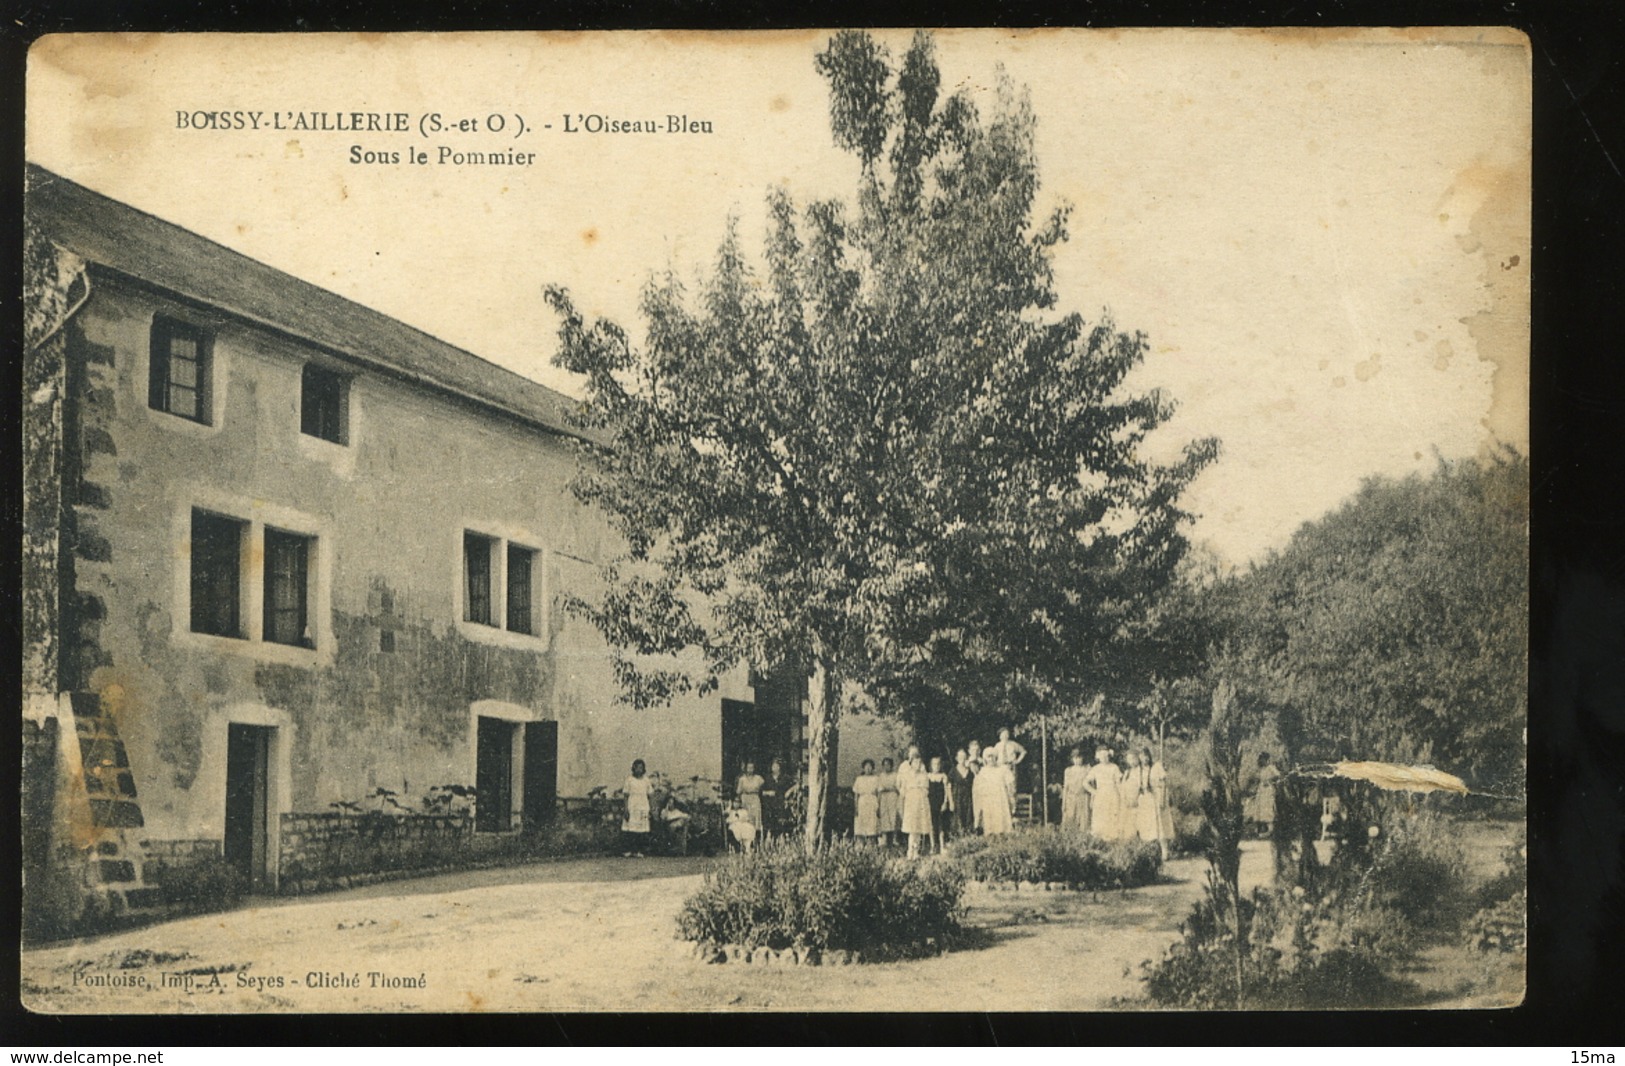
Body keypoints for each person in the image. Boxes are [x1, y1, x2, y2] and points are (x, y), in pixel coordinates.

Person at [1137, 746, 1174, 859]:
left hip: (1157, 797)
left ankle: (1164, 852)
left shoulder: (1156, 766)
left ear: (1149, 756)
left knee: (1160, 825)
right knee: (1148, 825)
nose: (1145, 759)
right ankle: (1150, 852)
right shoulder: (1140, 769)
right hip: (1146, 799)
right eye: (1142, 757)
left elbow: (1163, 783)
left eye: (1146, 756)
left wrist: (1162, 799)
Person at [898, 746, 932, 858]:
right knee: (912, 828)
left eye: (919, 762)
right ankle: (910, 851)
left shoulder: (923, 774)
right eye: (915, 762)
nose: (917, 764)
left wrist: (922, 793)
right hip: (911, 802)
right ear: (911, 763)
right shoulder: (907, 775)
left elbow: (926, 788)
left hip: (921, 802)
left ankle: (916, 851)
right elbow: (903, 791)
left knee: (918, 828)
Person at [1085, 746, 1123, 840]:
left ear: (1109, 756)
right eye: (1101, 756)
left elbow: (1118, 784)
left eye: (1106, 756)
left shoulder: (1114, 767)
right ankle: (1100, 841)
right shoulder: (1096, 768)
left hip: (1113, 794)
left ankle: (1112, 841)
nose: (1104, 758)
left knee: (1112, 817)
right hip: (1101, 795)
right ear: (1098, 757)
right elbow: (1085, 783)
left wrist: (1121, 796)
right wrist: (1094, 792)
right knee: (1100, 818)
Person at [974, 749, 1014, 835]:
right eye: (988, 757)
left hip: (1000, 799)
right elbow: (979, 788)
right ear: (985, 759)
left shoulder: (1002, 769)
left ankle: (1001, 841)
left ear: (996, 757)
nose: (991, 759)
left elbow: (1010, 783)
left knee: (1001, 821)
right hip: (988, 799)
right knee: (989, 822)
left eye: (993, 757)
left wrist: (1011, 797)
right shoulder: (983, 771)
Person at [622, 759, 656, 857]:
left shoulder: (646, 780)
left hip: (643, 807)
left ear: (643, 769)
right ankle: (630, 850)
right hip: (632, 806)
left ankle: (639, 851)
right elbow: (625, 796)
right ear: (634, 768)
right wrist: (626, 809)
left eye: (641, 768)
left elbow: (650, 795)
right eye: (637, 767)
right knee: (631, 830)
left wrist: (651, 809)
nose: (639, 770)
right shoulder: (629, 779)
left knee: (641, 830)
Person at [1245, 752, 1281, 837]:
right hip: (1261, 790)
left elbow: (1278, 776)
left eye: (1264, 760)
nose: (1263, 761)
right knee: (1259, 807)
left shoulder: (1271, 768)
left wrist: (1269, 781)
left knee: (1267, 806)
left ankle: (1270, 828)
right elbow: (1258, 778)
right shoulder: (1262, 769)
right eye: (1261, 760)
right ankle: (1259, 829)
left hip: (1268, 789)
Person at [1060, 747, 1091, 832]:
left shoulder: (1087, 769)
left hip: (1083, 797)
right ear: (1072, 759)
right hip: (1071, 797)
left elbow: (1091, 785)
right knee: (1070, 818)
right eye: (1075, 758)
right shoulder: (1068, 770)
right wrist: (1064, 803)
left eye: (1079, 757)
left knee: (1083, 819)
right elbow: (1065, 787)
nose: (1077, 760)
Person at [926, 755, 951, 854]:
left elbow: (946, 791)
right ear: (931, 765)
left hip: (940, 803)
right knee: (931, 825)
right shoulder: (928, 776)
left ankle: (942, 845)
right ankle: (933, 846)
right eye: (934, 764)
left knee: (941, 825)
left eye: (938, 764)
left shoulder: (943, 776)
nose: (936, 766)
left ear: (940, 765)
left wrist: (945, 802)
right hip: (931, 803)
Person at [852, 759, 881, 844]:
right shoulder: (859, 779)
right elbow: (856, 794)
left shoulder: (876, 778)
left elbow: (879, 793)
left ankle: (871, 842)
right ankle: (860, 843)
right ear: (863, 768)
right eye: (866, 767)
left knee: (872, 822)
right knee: (861, 822)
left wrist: (878, 805)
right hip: (862, 801)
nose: (868, 769)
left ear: (873, 768)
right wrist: (856, 806)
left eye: (870, 767)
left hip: (872, 801)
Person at [949, 749, 976, 837]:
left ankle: (968, 836)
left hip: (968, 797)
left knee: (968, 816)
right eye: (960, 757)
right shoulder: (953, 771)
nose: (962, 759)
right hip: (957, 797)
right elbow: (948, 787)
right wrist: (951, 802)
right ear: (957, 758)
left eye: (964, 757)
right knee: (958, 817)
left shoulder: (970, 772)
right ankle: (958, 837)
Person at [876, 757, 901, 847]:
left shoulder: (895, 775)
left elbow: (898, 788)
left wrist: (890, 788)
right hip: (883, 798)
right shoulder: (881, 776)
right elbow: (879, 790)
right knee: (884, 817)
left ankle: (894, 838)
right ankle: (884, 839)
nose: (887, 766)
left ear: (892, 766)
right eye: (885, 765)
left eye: (888, 765)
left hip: (893, 797)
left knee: (893, 817)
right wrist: (878, 803)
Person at [762, 757, 789, 840]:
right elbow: (761, 791)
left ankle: (779, 840)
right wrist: (767, 792)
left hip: (780, 802)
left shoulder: (785, 777)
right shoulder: (768, 778)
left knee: (780, 823)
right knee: (770, 823)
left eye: (776, 766)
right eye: (773, 766)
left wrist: (788, 792)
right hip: (770, 803)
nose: (774, 768)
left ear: (779, 767)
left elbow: (796, 785)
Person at [736, 760, 765, 833]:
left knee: (755, 819)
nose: (750, 770)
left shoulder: (758, 778)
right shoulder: (742, 779)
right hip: (745, 799)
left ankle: (755, 837)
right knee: (746, 819)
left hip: (755, 799)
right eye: (748, 768)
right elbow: (738, 791)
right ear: (746, 769)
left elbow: (763, 788)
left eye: (752, 768)